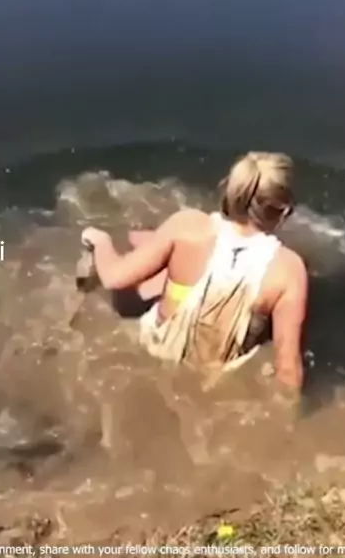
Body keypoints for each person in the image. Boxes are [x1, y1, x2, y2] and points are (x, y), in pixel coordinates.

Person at [81, 152, 308, 393]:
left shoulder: (187, 225)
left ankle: (153, 248)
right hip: (221, 376)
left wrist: (100, 241)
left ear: (230, 192)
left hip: (158, 349)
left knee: (163, 264)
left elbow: (113, 278)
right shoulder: (289, 270)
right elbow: (288, 369)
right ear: (283, 211)